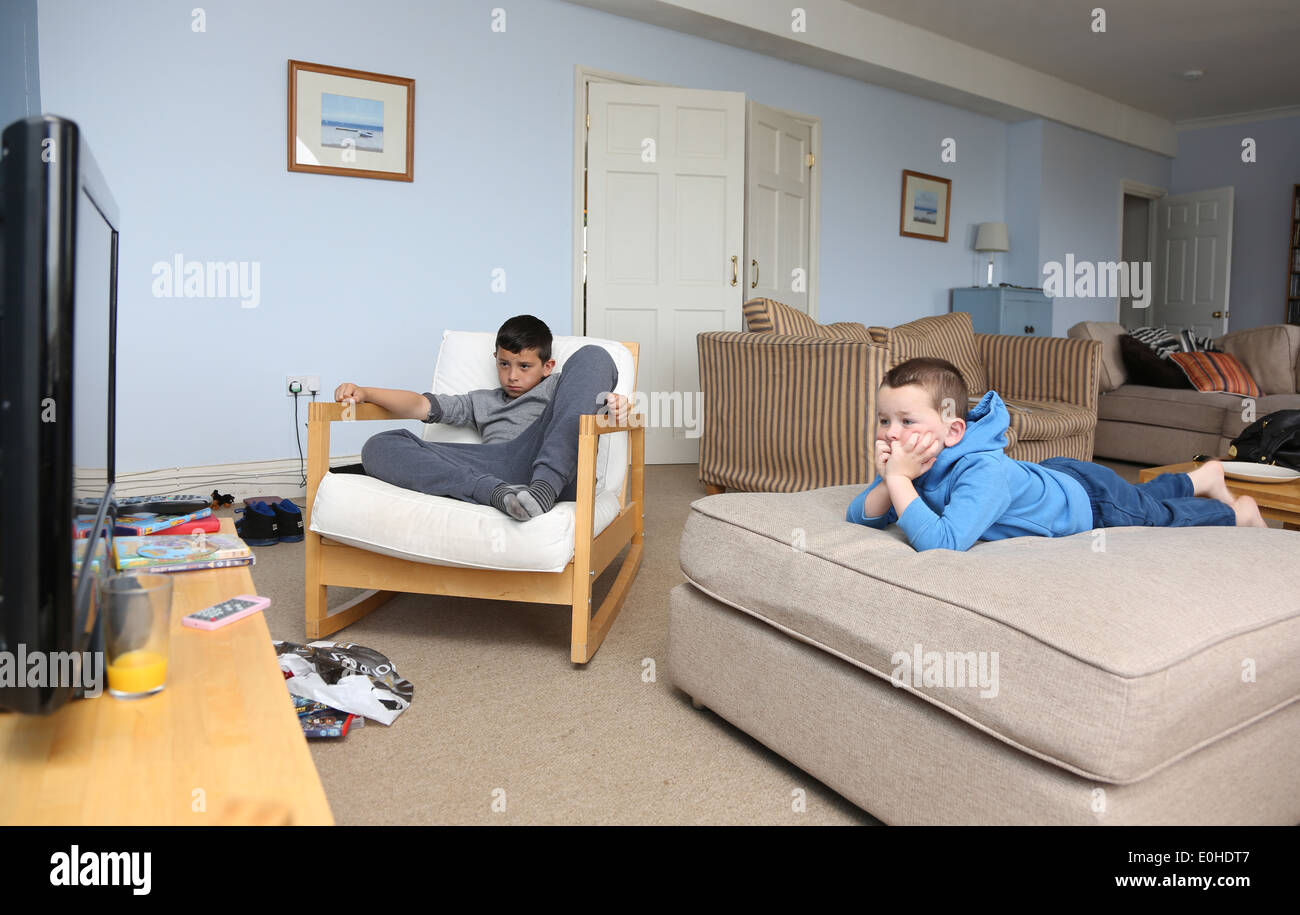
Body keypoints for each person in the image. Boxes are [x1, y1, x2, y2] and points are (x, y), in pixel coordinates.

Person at [846, 356, 1267, 552]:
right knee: (1142, 497)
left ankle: (1238, 513)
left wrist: (898, 481)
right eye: (884, 421)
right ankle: (1204, 477)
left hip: (1091, 503)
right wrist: (890, 480)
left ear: (954, 430)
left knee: (1155, 517)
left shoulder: (980, 471)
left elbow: (945, 543)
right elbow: (858, 517)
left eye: (906, 421)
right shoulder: (916, 459)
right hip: (1053, 478)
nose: (891, 434)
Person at [334, 315, 627, 521]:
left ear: (547, 366)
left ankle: (543, 490)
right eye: (504, 364)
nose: (512, 375)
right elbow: (418, 405)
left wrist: (613, 405)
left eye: (525, 366)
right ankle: (496, 494)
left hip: (556, 469)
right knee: (380, 445)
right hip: (496, 468)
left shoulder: (561, 384)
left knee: (593, 355)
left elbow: (584, 395)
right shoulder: (481, 401)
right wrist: (366, 392)